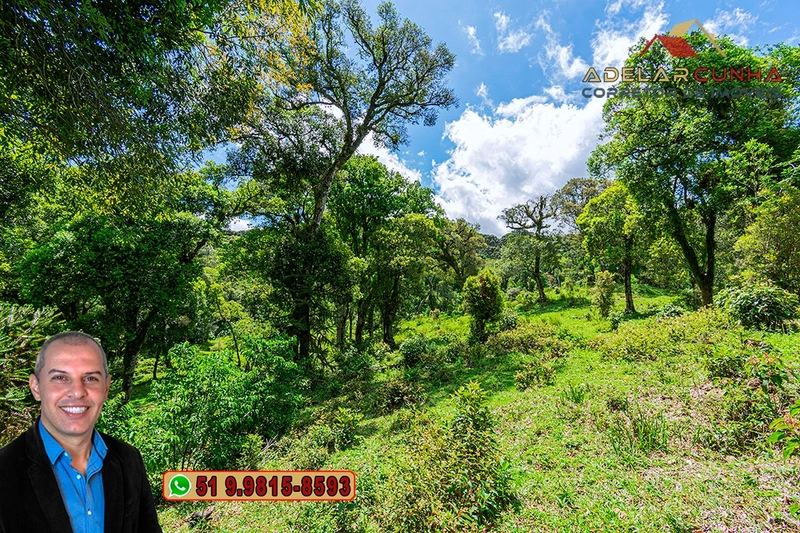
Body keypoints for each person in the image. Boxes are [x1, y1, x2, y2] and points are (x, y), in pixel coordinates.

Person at [0, 331, 162, 533]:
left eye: (91, 378)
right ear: (36, 387)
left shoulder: (129, 460)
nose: (77, 392)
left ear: (106, 388)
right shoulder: (4, 471)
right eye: (60, 377)